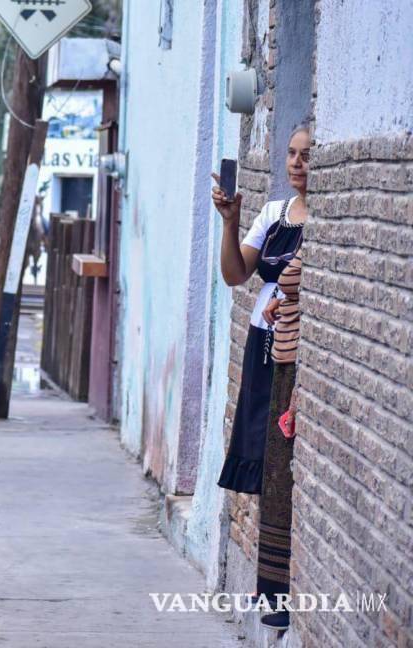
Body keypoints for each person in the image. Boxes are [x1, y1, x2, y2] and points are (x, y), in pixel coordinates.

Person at [212, 125, 310, 495]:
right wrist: (229, 221)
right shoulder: (274, 213)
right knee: (258, 430)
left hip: (294, 340)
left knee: (282, 435)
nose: (296, 163)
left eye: (307, 156)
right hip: (261, 338)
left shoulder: (324, 218)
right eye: (291, 153)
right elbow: (235, 274)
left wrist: (284, 299)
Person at [255, 253, 304, 630]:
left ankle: (282, 597)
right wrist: (282, 301)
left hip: (295, 373)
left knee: (284, 483)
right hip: (283, 364)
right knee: (273, 481)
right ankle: (271, 589)